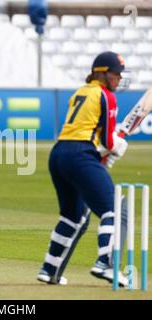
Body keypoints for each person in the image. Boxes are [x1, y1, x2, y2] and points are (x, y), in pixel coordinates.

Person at [37, 51, 129, 286]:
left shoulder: (81, 91)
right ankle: (105, 263)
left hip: (58, 154)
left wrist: (103, 149)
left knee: (73, 215)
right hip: (80, 154)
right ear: (102, 73)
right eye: (116, 74)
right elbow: (108, 141)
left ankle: (49, 270)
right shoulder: (106, 96)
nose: (118, 79)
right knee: (114, 209)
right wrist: (117, 145)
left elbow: (85, 131)